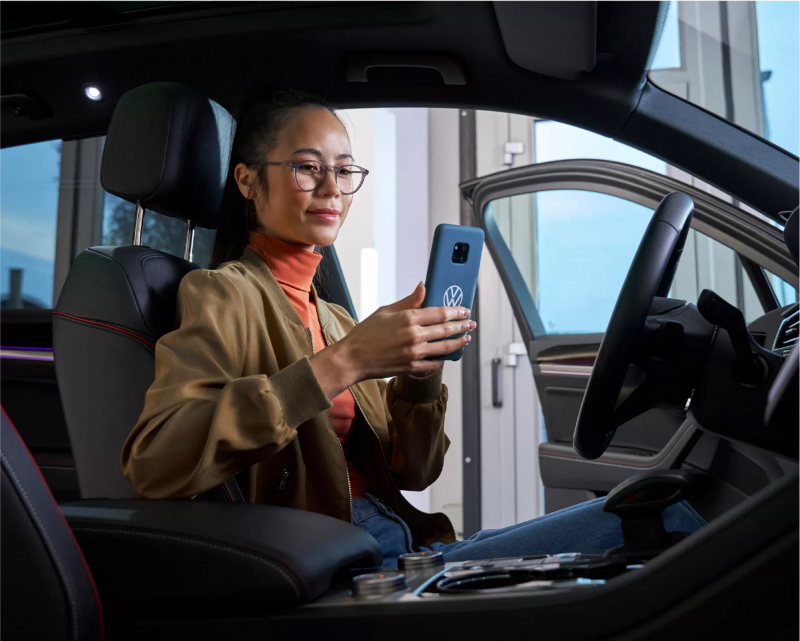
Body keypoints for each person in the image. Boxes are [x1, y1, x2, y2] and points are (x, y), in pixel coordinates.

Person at [122, 90, 704, 568]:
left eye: (345, 171)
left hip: (403, 544)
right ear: (248, 181)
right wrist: (344, 363)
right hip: (334, 564)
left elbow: (415, 473)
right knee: (665, 521)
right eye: (307, 167)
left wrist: (419, 374)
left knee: (647, 515)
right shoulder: (222, 292)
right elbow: (157, 460)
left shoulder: (334, 316)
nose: (332, 188)